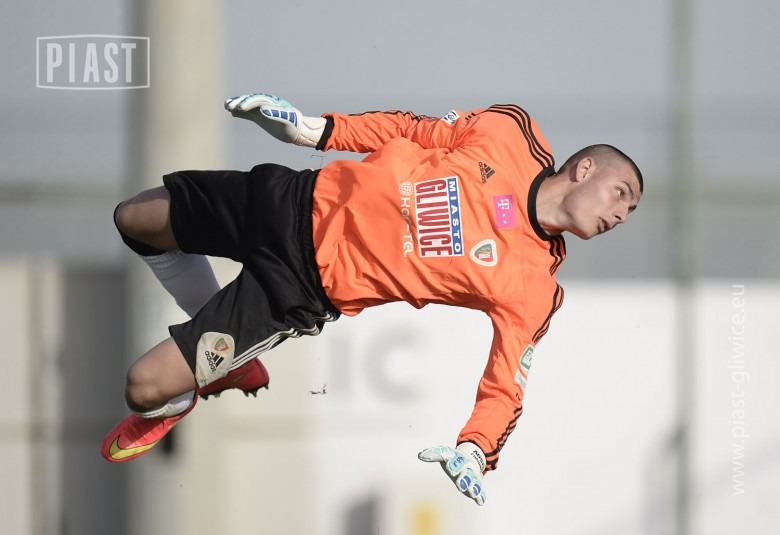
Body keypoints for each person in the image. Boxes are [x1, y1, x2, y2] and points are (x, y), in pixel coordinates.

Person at [101, 93, 643, 506]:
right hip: (293, 197)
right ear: (585, 169)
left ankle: (179, 399)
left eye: (630, 212)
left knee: (143, 388)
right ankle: (226, 365)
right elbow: (410, 129)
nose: (620, 216)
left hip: (297, 286)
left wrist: (476, 449)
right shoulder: (511, 132)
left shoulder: (536, 286)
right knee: (135, 218)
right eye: (622, 194)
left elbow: (507, 383)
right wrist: (313, 130)